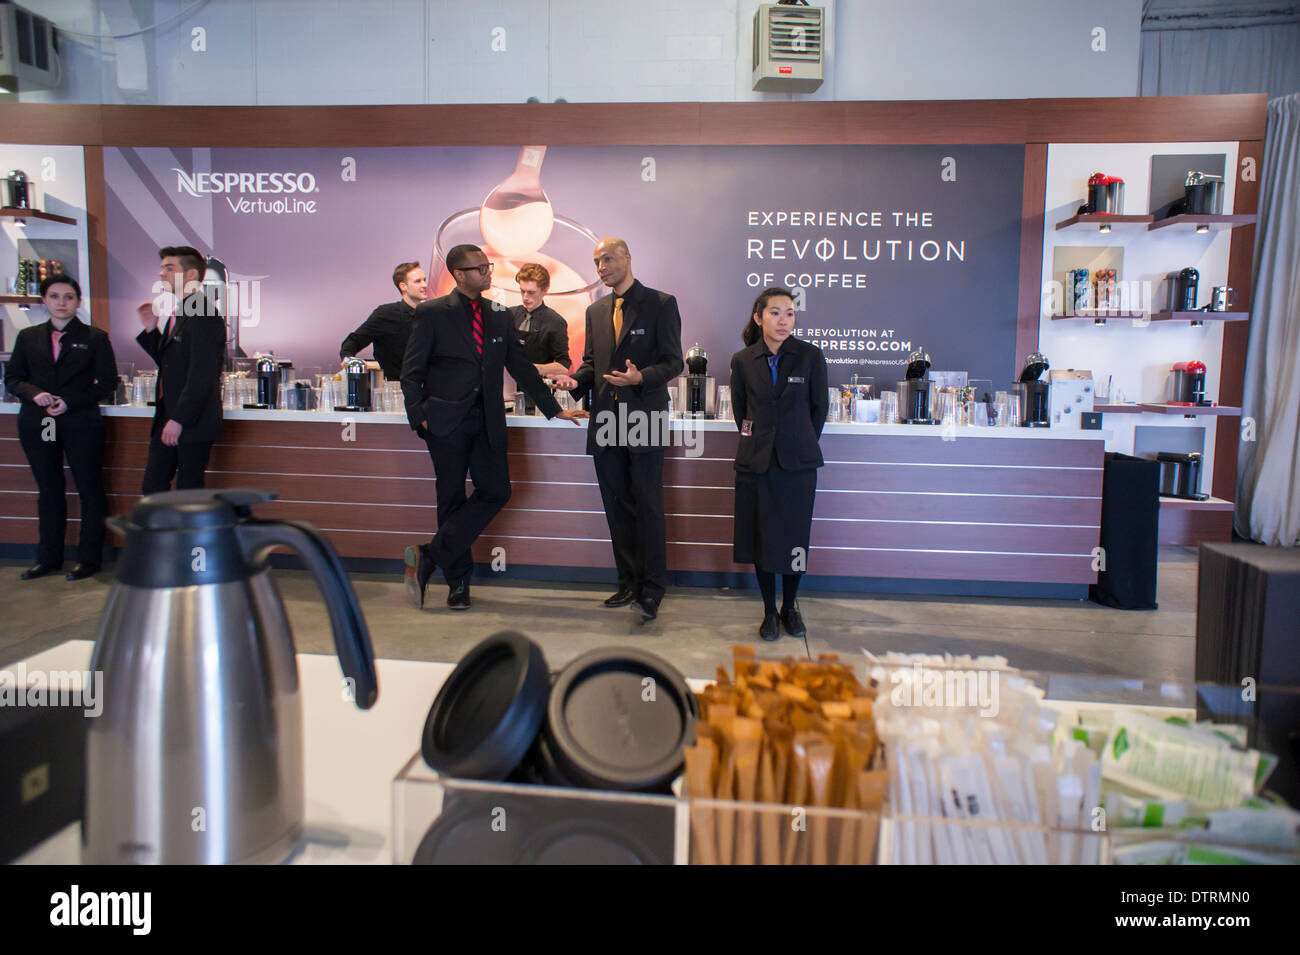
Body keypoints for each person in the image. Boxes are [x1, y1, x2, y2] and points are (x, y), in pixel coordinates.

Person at [402, 244, 587, 611]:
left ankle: (429, 554)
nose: (489, 272)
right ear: (458, 274)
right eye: (481, 267)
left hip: (487, 420)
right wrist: (419, 416)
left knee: (497, 491)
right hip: (445, 423)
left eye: (488, 266)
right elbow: (412, 372)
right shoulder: (432, 313)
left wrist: (555, 409)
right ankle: (458, 585)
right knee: (451, 500)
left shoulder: (500, 315)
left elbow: (519, 367)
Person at [554, 238, 683, 621]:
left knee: (647, 504)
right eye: (596, 261)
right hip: (606, 419)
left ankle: (652, 589)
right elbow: (593, 364)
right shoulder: (595, 311)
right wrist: (576, 382)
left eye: (608, 258)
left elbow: (674, 362)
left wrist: (641, 376)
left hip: (645, 415)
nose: (602, 266)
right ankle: (627, 582)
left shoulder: (661, 304)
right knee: (617, 506)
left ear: (628, 257)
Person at [729, 287, 828, 641]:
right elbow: (742, 413)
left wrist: (797, 440)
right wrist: (763, 441)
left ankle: (790, 606)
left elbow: (820, 410)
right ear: (759, 318)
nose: (783, 320)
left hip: (797, 463)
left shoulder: (810, 356)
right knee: (762, 538)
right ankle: (769, 611)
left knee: (794, 538)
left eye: (789, 313)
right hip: (757, 462)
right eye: (775, 312)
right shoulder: (742, 360)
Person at [5, 275, 118, 581]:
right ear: (45, 301)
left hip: (80, 421)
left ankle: (89, 559)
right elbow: (13, 378)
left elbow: (108, 383)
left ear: (78, 301)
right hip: (40, 421)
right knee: (49, 488)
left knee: (89, 488)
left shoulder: (95, 337)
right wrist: (35, 394)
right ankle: (48, 558)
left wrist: (69, 401)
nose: (61, 302)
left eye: (68, 297)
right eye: (54, 296)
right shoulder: (28, 337)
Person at [135, 245, 225, 493]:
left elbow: (202, 375)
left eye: (169, 268)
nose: (161, 273)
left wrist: (179, 419)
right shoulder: (183, 311)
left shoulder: (203, 313)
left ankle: (185, 533)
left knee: (188, 492)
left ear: (191, 275)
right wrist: (151, 330)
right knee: (154, 487)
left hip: (190, 421)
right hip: (170, 415)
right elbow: (171, 363)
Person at [339, 261, 428, 381]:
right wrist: (349, 360)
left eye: (424, 280)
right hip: (393, 389)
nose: (424, 285)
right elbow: (354, 341)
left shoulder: (432, 314)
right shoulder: (386, 314)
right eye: (418, 281)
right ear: (403, 286)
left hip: (428, 390)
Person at [509, 263, 571, 378]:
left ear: (544, 290)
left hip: (535, 387)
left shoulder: (555, 322)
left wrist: (532, 368)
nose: (525, 297)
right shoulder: (509, 314)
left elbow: (563, 366)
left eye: (531, 292)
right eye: (522, 291)